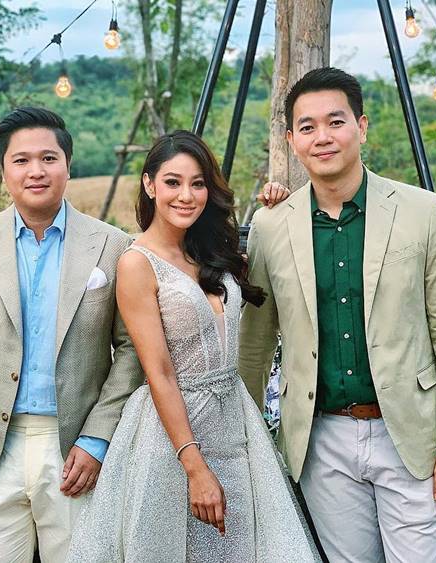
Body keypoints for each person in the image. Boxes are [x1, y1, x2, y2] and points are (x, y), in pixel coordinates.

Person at [239, 67, 436, 562]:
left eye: (336, 122)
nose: (322, 137)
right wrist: (244, 444)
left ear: (361, 127)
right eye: (307, 127)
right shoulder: (270, 225)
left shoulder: (422, 211)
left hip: (410, 434)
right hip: (321, 440)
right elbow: (255, 344)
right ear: (292, 141)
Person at [67, 130, 319, 562]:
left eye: (198, 183)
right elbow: (159, 372)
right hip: (171, 436)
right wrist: (194, 466)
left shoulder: (211, 252)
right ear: (149, 184)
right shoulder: (136, 263)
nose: (186, 195)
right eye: (173, 182)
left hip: (236, 425)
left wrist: (277, 206)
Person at [0, 106, 144, 562]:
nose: (36, 170)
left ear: (68, 165)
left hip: (75, 450)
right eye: (21, 160)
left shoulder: (112, 244)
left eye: (49, 158)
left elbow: (132, 349)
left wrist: (97, 439)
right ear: (4, 170)